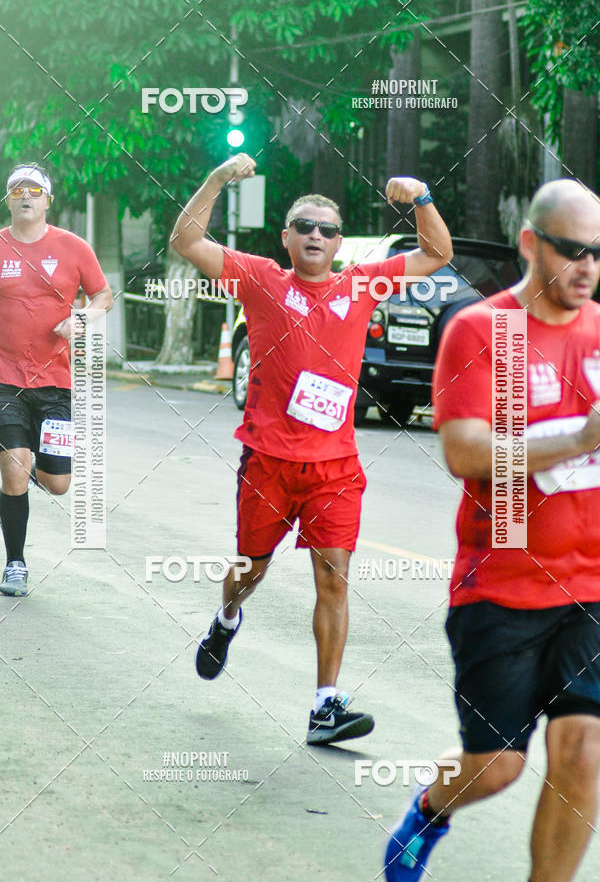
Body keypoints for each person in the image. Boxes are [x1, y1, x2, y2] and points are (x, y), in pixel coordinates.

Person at [171, 152, 452, 744]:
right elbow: (186, 241)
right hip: (268, 463)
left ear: (339, 242)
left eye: (327, 229)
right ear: (287, 237)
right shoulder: (260, 280)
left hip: (335, 469)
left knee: (334, 579)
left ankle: (326, 705)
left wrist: (422, 197)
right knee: (250, 569)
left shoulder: (363, 284)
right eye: (304, 226)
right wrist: (217, 178)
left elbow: (437, 253)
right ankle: (226, 618)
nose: (316, 235)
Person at [384, 179, 600, 880]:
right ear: (531, 243)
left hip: (591, 588)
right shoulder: (482, 330)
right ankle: (429, 809)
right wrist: (578, 438)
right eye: (573, 251)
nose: (588, 268)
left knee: (583, 751)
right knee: (497, 766)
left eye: (599, 253)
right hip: (501, 587)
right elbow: (465, 452)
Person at [0, 164, 113, 596]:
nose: (25, 196)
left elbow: (103, 294)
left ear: (49, 199)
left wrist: (83, 318)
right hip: (5, 378)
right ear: (9, 199)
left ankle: (32, 467)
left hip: (55, 382)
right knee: (13, 468)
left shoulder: (73, 247)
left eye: (34, 190)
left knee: (57, 484)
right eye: (16, 190)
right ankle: (15, 563)